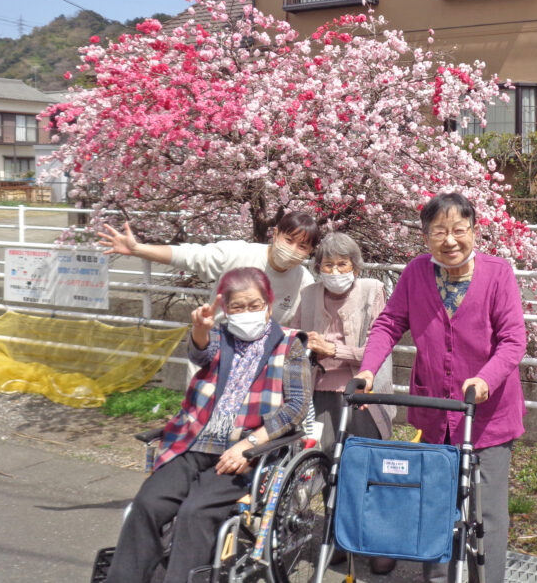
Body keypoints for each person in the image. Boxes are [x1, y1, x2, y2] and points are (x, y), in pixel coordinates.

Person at [355, 192, 526, 583]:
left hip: (488, 416)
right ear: (426, 236)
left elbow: (514, 340)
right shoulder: (416, 272)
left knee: (487, 515)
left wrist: (485, 378)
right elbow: (389, 323)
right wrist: (367, 370)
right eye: (439, 232)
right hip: (436, 412)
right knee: (434, 505)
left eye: (459, 230)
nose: (450, 240)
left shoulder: (498, 273)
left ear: (475, 231)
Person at [105, 267, 311, 583]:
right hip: (194, 441)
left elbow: (296, 407)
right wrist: (199, 330)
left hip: (245, 453)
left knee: (194, 513)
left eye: (254, 305)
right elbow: (202, 356)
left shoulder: (289, 344)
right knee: (147, 504)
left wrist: (248, 446)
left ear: (268, 304)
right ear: (226, 309)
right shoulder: (220, 334)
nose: (247, 313)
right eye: (237, 307)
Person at [290, 231, 398, 575]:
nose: (335, 270)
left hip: (363, 393)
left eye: (342, 263)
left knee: (368, 468)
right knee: (326, 466)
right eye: (327, 264)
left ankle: (379, 541)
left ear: (355, 265)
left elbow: (379, 348)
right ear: (317, 266)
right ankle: (337, 537)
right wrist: (305, 344)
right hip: (319, 392)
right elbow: (294, 338)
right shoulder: (307, 294)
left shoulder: (371, 291)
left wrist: (335, 349)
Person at [98, 211, 320, 326]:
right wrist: (139, 249)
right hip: (218, 344)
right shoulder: (238, 253)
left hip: (261, 359)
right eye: (289, 240)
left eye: (302, 246)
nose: (293, 249)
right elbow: (191, 256)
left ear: (309, 251)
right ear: (275, 234)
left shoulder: (304, 282)